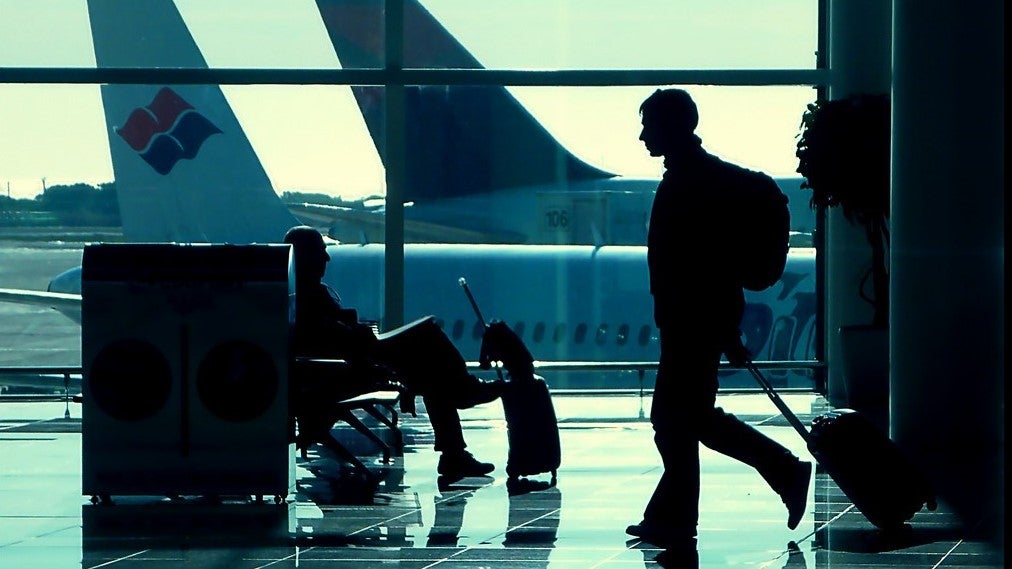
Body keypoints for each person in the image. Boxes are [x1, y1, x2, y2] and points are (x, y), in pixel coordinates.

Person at [627, 89, 812, 549]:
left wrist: (716, 324)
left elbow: (695, 268)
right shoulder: (699, 179)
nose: (642, 135)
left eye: (649, 124)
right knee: (688, 418)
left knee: (676, 418)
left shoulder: (690, 184)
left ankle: (780, 472)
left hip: (693, 321)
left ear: (672, 127)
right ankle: (677, 514)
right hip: (698, 319)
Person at [283, 225, 504, 479]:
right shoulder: (307, 297)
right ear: (307, 256)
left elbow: (331, 335)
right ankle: (464, 401)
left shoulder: (301, 294)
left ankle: (456, 439)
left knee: (433, 372)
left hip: (353, 360)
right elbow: (334, 339)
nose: (327, 258)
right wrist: (359, 335)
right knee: (429, 338)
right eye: (321, 251)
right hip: (354, 364)